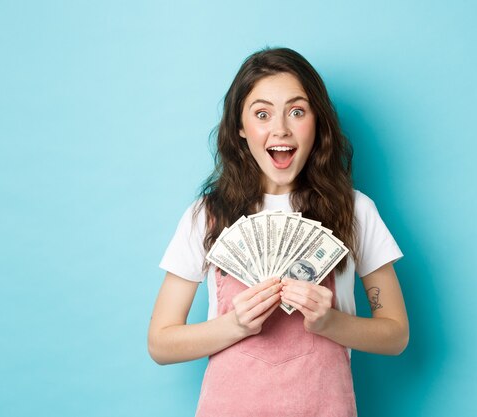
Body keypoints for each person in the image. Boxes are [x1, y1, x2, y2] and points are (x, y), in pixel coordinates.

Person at [148, 47, 409, 417]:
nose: (280, 128)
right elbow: (160, 343)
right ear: (240, 127)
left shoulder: (355, 211)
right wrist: (234, 326)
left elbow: (396, 334)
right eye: (262, 114)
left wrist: (331, 322)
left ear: (317, 122)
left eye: (297, 111)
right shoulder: (206, 215)